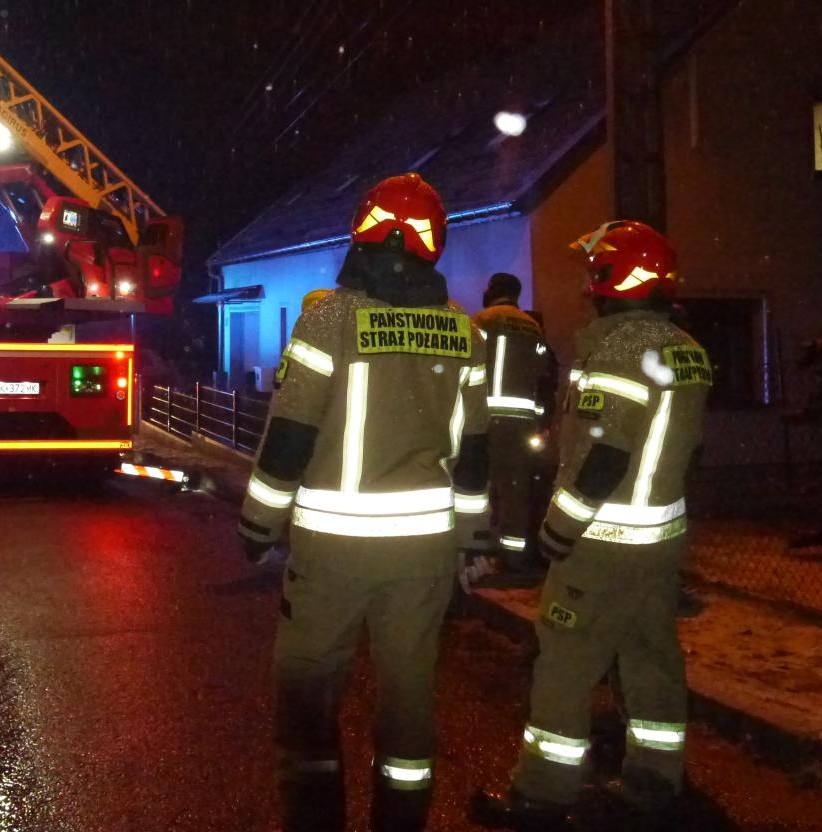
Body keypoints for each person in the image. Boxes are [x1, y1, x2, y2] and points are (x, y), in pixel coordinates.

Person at [239, 173, 493, 832]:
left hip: (333, 557)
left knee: (308, 697)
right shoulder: (463, 332)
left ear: (363, 231)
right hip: (425, 558)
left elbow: (290, 436)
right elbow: (475, 455)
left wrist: (259, 524)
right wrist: (471, 541)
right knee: (409, 700)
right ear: (433, 244)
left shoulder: (329, 320)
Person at [472, 220, 711, 829]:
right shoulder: (687, 348)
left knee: (564, 666)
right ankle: (655, 783)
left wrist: (558, 529)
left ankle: (541, 797)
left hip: (601, 546)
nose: (588, 284)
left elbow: (604, 454)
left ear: (613, 276)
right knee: (651, 660)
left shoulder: (619, 348)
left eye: (595, 271)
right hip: (658, 543)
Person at [470, 273, 549, 572]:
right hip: (522, 423)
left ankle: (480, 549)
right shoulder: (533, 327)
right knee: (516, 489)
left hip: (485, 418)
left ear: (493, 291)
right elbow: (541, 372)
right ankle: (513, 555)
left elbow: (467, 365)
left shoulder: (480, 320)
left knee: (480, 485)